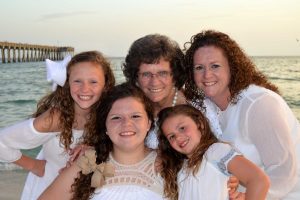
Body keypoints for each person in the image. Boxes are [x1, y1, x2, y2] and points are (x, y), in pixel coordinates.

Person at [184, 30, 300, 199]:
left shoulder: (257, 104)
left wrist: (249, 196)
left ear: (232, 67)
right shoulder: (208, 107)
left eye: (215, 66)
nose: (207, 75)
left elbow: (285, 172)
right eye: (199, 68)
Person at [0, 51, 115, 200]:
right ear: (67, 83)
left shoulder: (110, 114)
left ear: (105, 85)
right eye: (77, 81)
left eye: (93, 82)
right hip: (51, 189)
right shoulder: (57, 118)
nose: (85, 88)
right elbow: (2, 141)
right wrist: (34, 165)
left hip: (89, 191)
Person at [38, 83, 164, 200]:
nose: (126, 124)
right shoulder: (89, 161)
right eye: (116, 118)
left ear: (148, 123)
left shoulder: (167, 163)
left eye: (135, 116)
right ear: (105, 127)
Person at [157, 104, 270, 200]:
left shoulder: (215, 151)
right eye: (171, 136)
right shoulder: (182, 168)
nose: (178, 138)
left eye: (182, 128)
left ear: (199, 123)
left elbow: (258, 180)